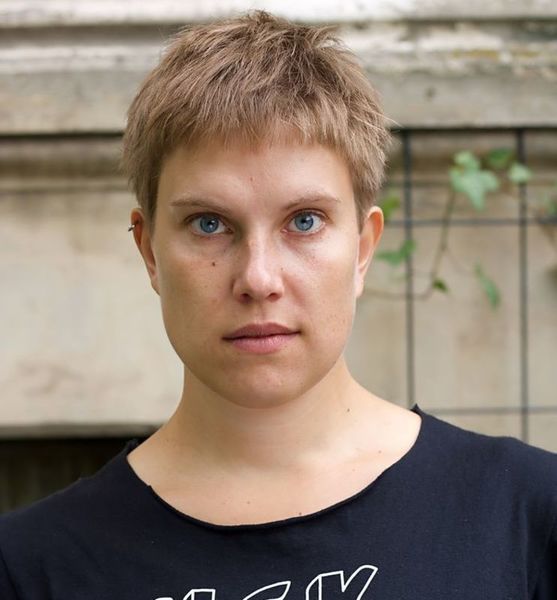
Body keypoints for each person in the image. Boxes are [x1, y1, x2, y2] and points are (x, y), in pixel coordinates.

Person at [0, 10, 555, 600]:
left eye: (304, 221)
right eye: (209, 223)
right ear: (150, 252)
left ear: (363, 249)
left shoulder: (527, 517)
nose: (258, 279)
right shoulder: (32, 568)